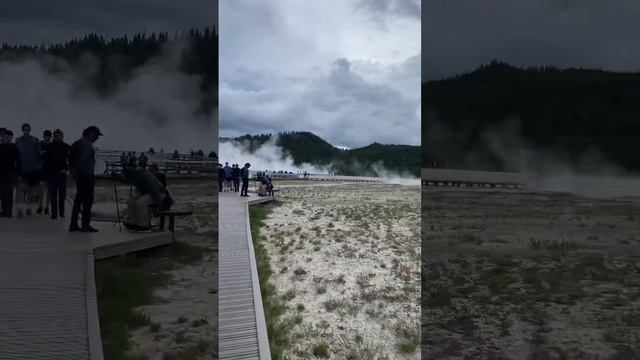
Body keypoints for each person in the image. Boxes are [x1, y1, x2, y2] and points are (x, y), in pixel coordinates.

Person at [68, 125, 102, 232]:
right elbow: (82, 161)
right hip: (86, 176)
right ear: (91, 134)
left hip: (80, 176)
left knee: (78, 200)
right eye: (97, 135)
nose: (97, 138)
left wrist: (74, 173)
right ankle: (85, 225)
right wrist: (79, 173)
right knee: (87, 201)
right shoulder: (86, 145)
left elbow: (72, 160)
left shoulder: (78, 143)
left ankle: (73, 224)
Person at [15, 123, 42, 217]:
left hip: (33, 168)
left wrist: (39, 167)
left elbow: (39, 154)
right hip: (22, 168)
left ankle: (29, 209)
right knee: (21, 189)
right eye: (24, 129)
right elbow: (16, 155)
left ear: (30, 130)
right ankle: (19, 209)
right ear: (22, 130)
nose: (26, 130)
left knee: (30, 190)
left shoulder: (35, 140)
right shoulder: (18, 140)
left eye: (27, 129)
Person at [43, 129, 70, 219]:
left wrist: (66, 169)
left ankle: (61, 213)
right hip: (52, 173)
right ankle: (54, 213)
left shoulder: (66, 147)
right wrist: (46, 173)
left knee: (62, 194)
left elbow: (71, 160)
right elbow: (46, 161)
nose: (56, 137)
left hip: (62, 173)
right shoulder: (49, 147)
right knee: (53, 194)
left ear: (62, 136)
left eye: (58, 135)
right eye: (55, 136)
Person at [0, 129, 20, 217]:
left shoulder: (14, 148)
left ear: (11, 138)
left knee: (8, 193)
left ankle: (8, 212)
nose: (7, 139)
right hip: (1, 173)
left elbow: (18, 161)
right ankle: (4, 210)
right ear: (3, 137)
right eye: (5, 137)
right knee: (2, 193)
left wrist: (17, 173)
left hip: (10, 173)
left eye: (9, 137)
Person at [39, 129, 53, 215]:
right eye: (46, 136)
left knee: (49, 189)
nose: (48, 138)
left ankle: (47, 207)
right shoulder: (39, 144)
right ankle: (40, 205)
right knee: (41, 189)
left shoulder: (52, 146)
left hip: (50, 169)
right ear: (44, 136)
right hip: (41, 168)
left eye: (49, 136)